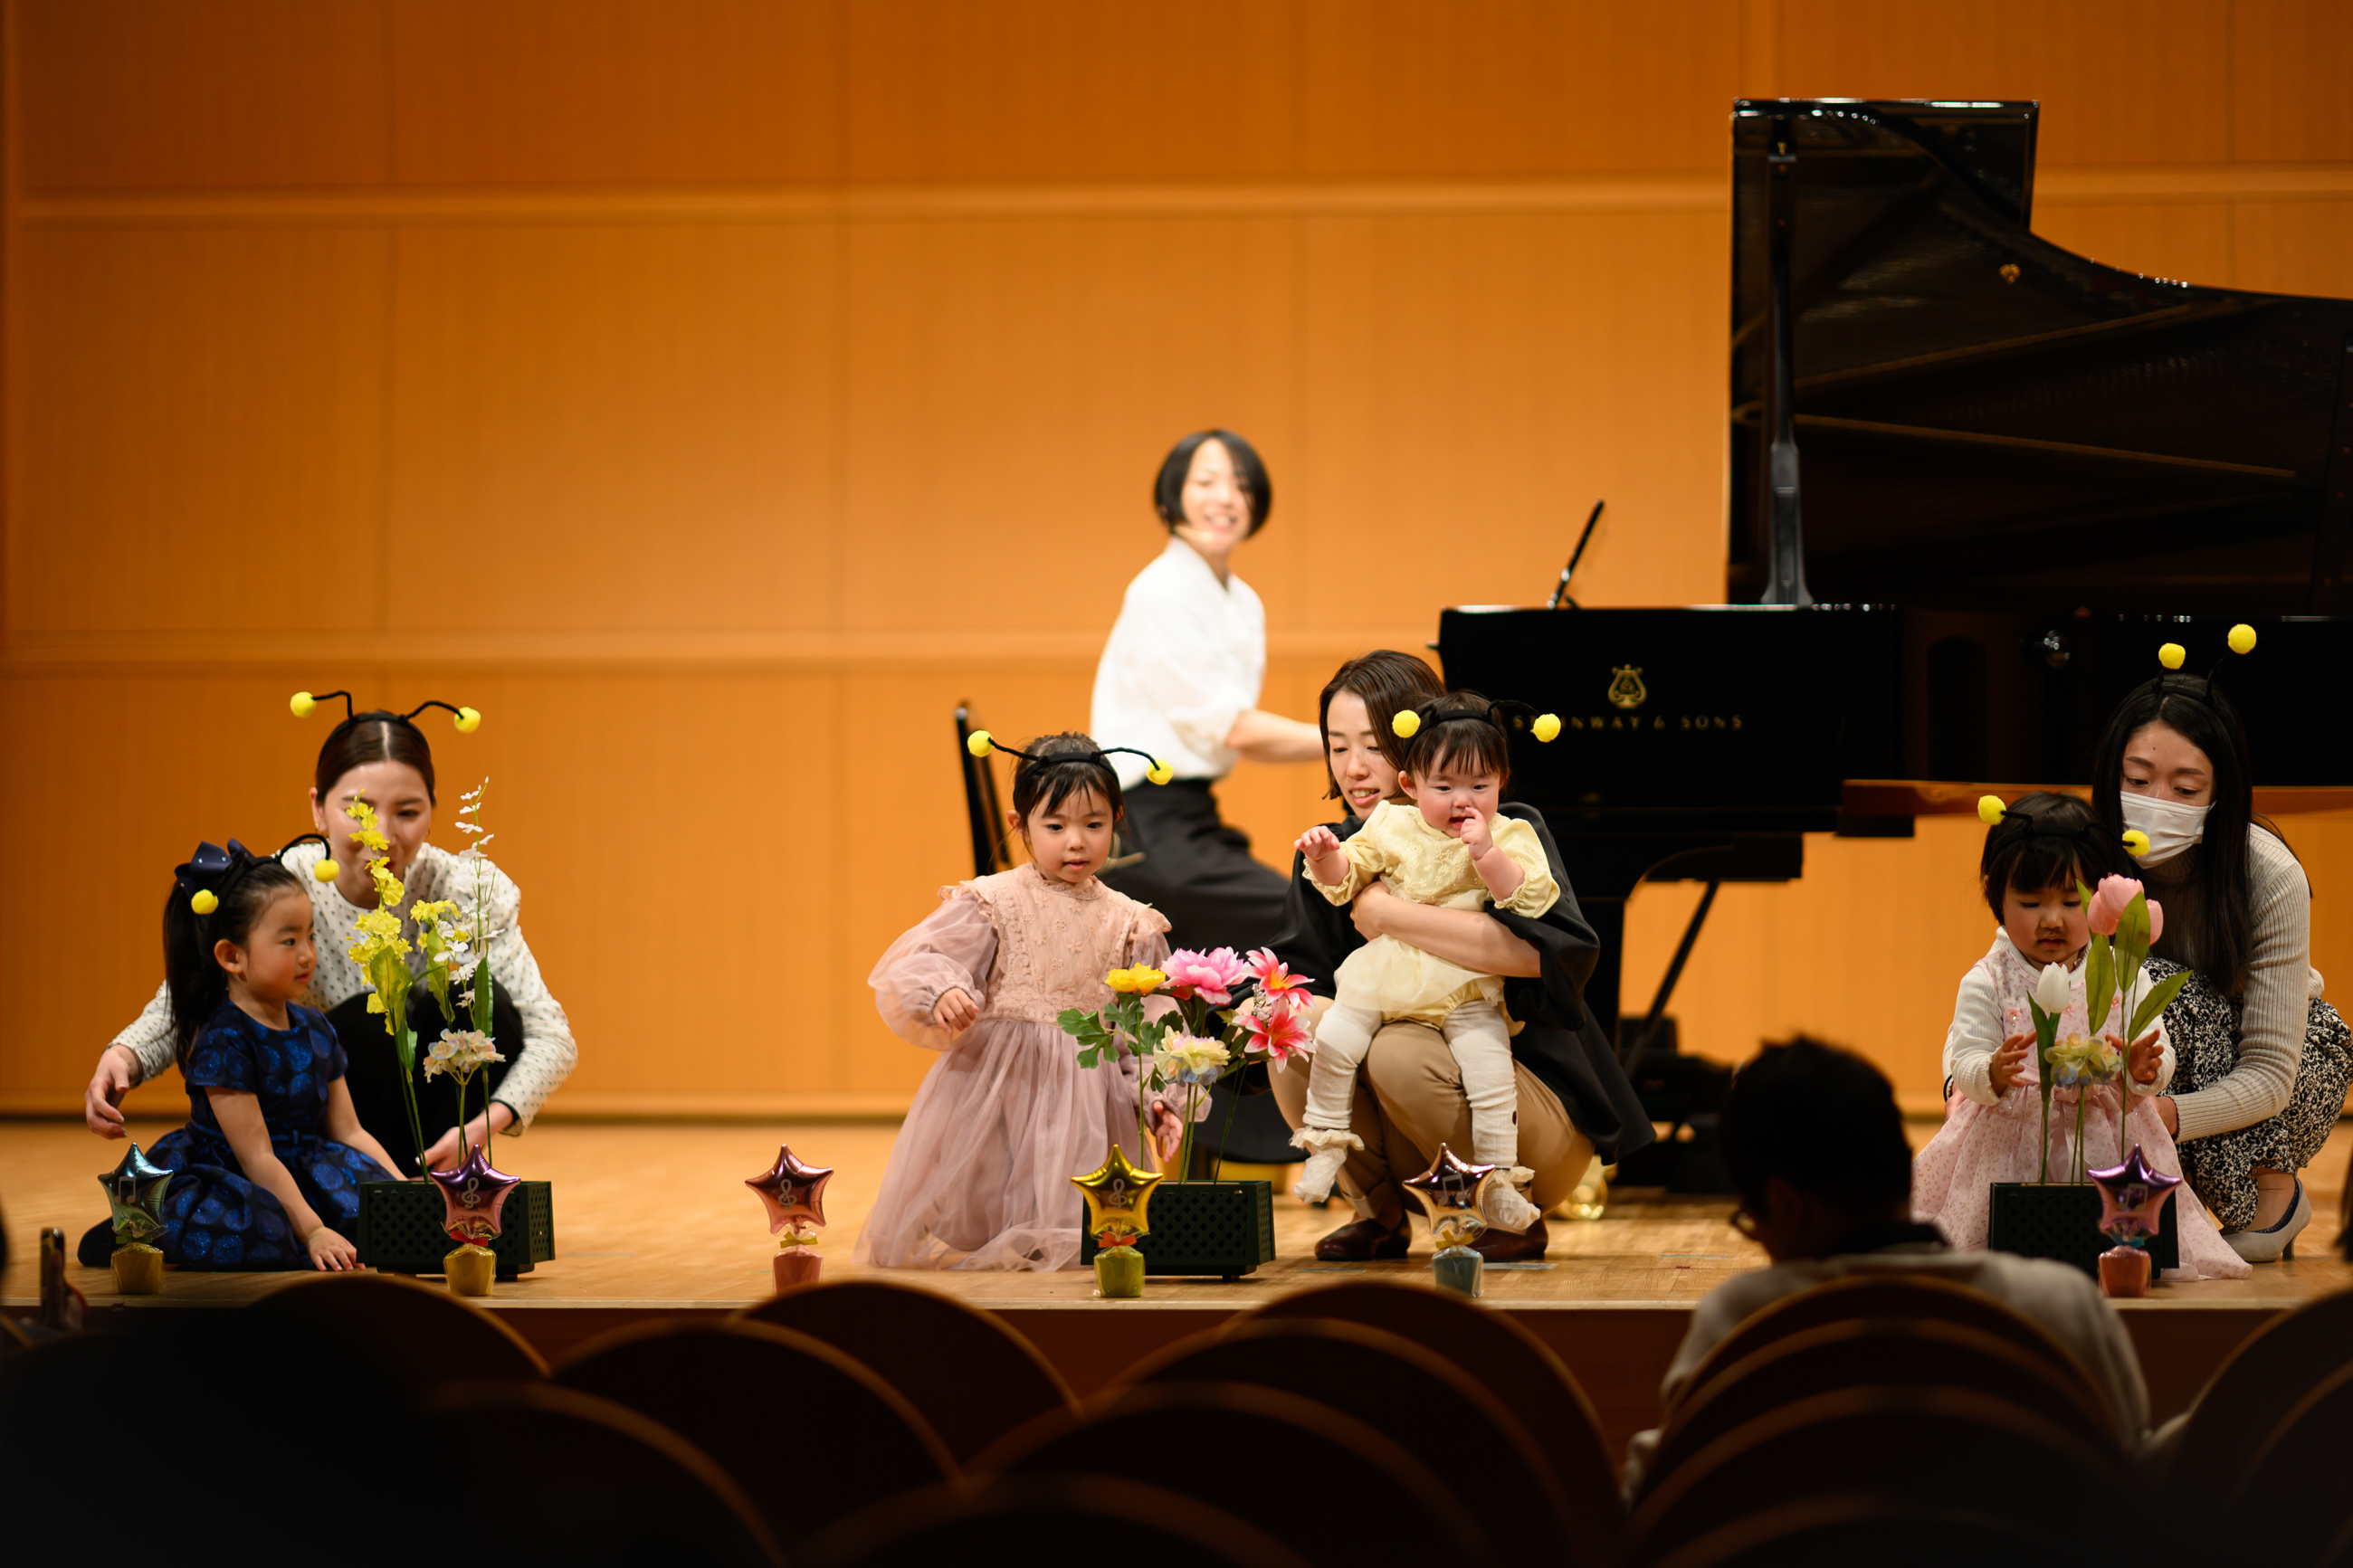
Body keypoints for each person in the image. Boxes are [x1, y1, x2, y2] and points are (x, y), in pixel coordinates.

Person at [1623, 1037, 2151, 1497]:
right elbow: (2133, 1487)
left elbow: (1658, 1502)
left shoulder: (1741, 1323)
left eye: (1750, 1220)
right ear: (1903, 1164)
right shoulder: (2064, 1309)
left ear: (1785, 1206)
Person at [84, 694, 577, 1177]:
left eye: (407, 813)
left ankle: (437, 1186)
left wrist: (482, 1127)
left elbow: (550, 1037)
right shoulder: (282, 886)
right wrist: (126, 1053)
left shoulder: (467, 891)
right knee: (369, 1020)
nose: (381, 834)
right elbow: (201, 991)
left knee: (485, 1008)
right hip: (314, 1127)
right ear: (318, 810)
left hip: (436, 1134)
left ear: (432, 810)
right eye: (358, 810)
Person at [1266, 651, 1653, 1263]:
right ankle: (1378, 1215)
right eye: (1338, 747)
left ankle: (1506, 1209)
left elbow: (1547, 956)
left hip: (1526, 1113)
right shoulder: (1335, 852)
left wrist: (1389, 915)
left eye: (1373, 742)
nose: (1356, 767)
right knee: (1293, 1024)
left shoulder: (1501, 830)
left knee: (1397, 1050)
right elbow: (1296, 970)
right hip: (1412, 1120)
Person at [861, 734, 1199, 1271]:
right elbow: (925, 957)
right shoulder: (992, 900)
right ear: (1020, 824)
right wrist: (944, 989)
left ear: (1116, 819)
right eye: (1056, 825)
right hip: (1000, 1079)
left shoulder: (1132, 921)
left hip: (1091, 1088)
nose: (1077, 843)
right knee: (996, 1183)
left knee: (1081, 1209)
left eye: (1094, 825)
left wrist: (1161, 1097)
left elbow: (1150, 1019)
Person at [1091, 429, 1324, 1164]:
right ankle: (1256, 1131)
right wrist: (1354, 739)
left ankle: (1252, 1131)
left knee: (1297, 912)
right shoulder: (1160, 588)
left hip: (1189, 817)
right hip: (1136, 824)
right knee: (1293, 915)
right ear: (1171, 496)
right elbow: (1230, 726)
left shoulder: (1240, 598)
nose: (1228, 497)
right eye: (1207, 481)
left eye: (1242, 485)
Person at [1908, 793, 2245, 1278]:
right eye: (2030, 902)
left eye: (2071, 901)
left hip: (2108, 1133)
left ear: (2101, 901)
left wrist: (2144, 1070)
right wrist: (1992, 1073)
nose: (2052, 919)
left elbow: (2156, 1055)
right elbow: (1964, 1060)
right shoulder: (1988, 979)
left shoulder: (2122, 972)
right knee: (1999, 1251)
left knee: (2114, 1237)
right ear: (1993, 895)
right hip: (2011, 1140)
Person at [2090, 648, 2351, 1260]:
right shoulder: (2088, 857)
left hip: (2290, 1070)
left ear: (2220, 792)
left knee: (2150, 980)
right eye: (2137, 780)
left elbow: (2268, 1073)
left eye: (2185, 787)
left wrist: (2160, 1117)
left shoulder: (2268, 874)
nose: (2156, 800)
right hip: (2157, 1070)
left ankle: (2269, 1184)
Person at [1291, 692, 1560, 1232]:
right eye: (1444, 788)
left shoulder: (1510, 833)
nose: (1464, 801)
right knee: (1336, 1038)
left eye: (1480, 786)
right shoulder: (1391, 824)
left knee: (1489, 1073)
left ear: (1502, 782)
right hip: (1389, 972)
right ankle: (1325, 1143)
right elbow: (1347, 875)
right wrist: (1323, 855)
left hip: (1466, 985)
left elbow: (1527, 900)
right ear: (1412, 785)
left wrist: (1487, 854)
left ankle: (1501, 1181)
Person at [86, 839, 405, 1270]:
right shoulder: (224, 1038)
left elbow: (350, 1132)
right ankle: (132, 1230)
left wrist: (406, 1191)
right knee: (263, 1233)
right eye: (289, 941)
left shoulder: (316, 1027)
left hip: (307, 1164)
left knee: (375, 1219)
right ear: (232, 956)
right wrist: (312, 1230)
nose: (308, 954)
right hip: (234, 1175)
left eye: (311, 936)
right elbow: (257, 1157)